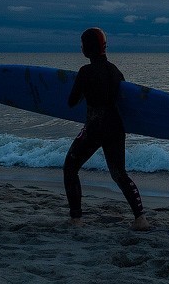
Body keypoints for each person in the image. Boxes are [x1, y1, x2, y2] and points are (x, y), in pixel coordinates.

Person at [63, 27, 149, 230]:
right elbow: (125, 98)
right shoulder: (115, 70)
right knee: (119, 174)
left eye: (82, 44)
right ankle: (140, 218)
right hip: (115, 127)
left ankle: (76, 219)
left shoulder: (85, 72)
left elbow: (71, 101)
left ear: (87, 48)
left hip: (94, 126)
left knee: (70, 168)